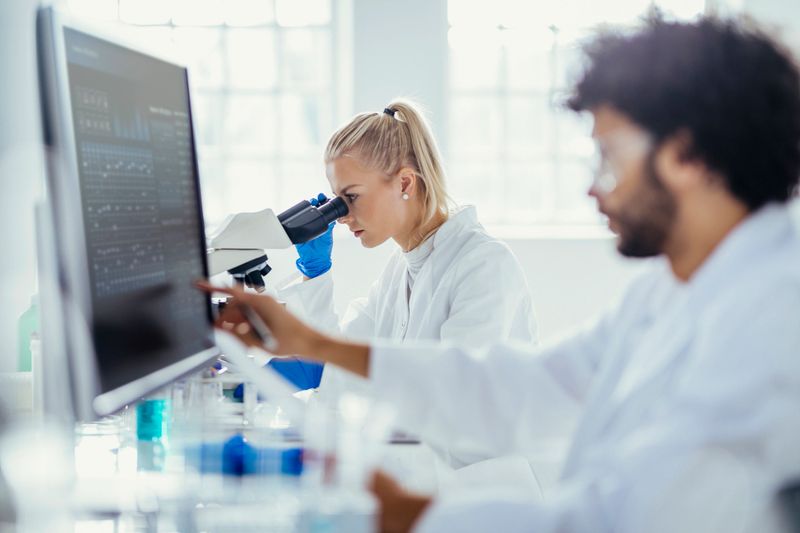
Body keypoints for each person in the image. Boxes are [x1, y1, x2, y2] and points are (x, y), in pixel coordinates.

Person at [200, 15, 800, 533]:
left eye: (610, 158)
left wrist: (409, 512)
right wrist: (311, 342)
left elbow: (624, 516)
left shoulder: (771, 321)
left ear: (686, 157)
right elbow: (533, 385)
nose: (594, 186)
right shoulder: (673, 289)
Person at [268, 99, 540, 474]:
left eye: (351, 197)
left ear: (405, 183)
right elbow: (339, 370)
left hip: (476, 497)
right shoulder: (401, 271)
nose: (342, 216)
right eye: (337, 201)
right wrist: (317, 274)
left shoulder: (484, 265)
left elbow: (448, 409)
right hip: (417, 487)